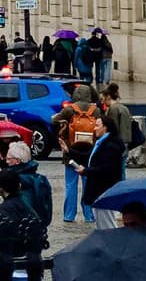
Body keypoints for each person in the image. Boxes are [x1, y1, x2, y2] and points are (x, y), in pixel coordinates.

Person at [51, 86, 104, 224]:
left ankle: (69, 215)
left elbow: (54, 121)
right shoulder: (96, 110)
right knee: (88, 185)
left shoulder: (69, 109)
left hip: (71, 152)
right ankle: (89, 215)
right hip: (90, 154)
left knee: (71, 185)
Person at [80, 119, 127, 229]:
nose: (94, 128)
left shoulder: (110, 145)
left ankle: (112, 244)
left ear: (105, 127)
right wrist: (69, 151)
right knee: (101, 223)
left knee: (107, 224)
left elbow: (105, 169)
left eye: (97, 125)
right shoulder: (102, 143)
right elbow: (89, 157)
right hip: (99, 190)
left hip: (104, 190)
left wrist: (85, 171)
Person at [3, 143, 52, 223]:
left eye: (8, 159)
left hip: (26, 225)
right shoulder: (32, 176)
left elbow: (1, 178)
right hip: (39, 223)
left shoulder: (19, 179)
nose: (6, 161)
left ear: (17, 161)